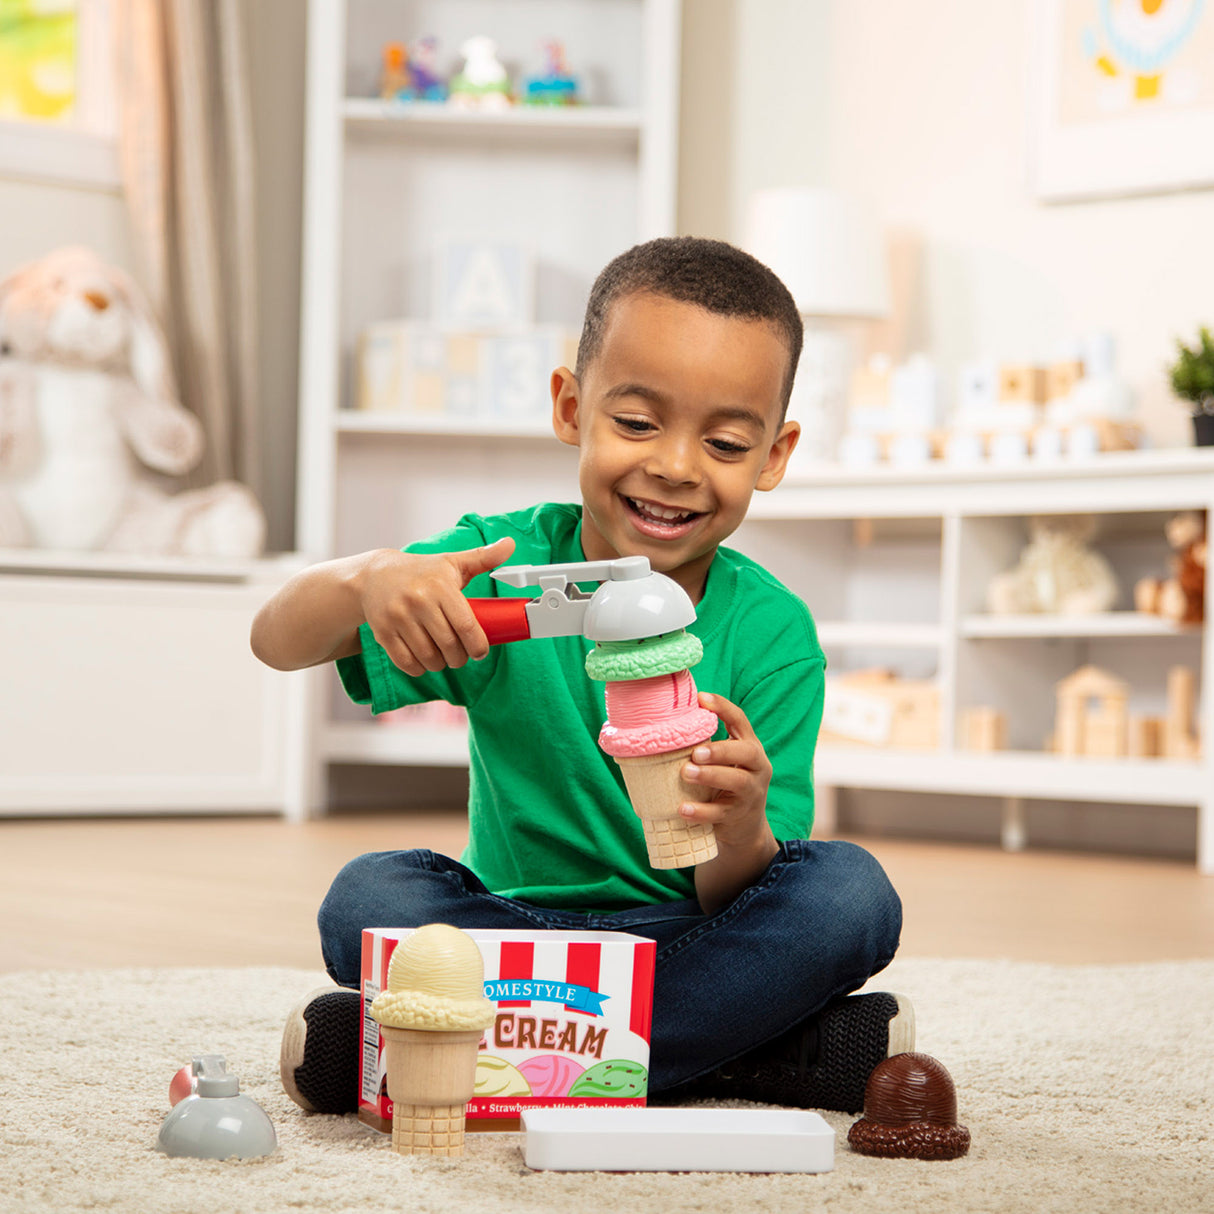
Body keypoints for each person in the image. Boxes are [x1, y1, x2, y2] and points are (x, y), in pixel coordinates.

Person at [251, 236, 909, 1118]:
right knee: (367, 898)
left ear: (774, 456)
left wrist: (743, 824)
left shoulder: (775, 634)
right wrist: (370, 579)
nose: (674, 465)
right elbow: (275, 640)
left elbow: (744, 886)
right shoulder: (501, 566)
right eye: (636, 423)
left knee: (849, 896)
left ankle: (437, 1048)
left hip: (697, 932)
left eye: (722, 441)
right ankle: (760, 1055)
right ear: (571, 406)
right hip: (510, 929)